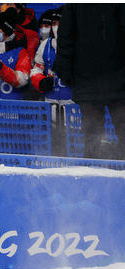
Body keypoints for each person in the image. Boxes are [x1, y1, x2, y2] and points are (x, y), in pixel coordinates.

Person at [53, 4, 125, 160]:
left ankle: (96, 171)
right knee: (101, 135)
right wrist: (66, 72)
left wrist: (66, 73)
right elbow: (66, 36)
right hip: (107, 82)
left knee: (96, 135)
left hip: (101, 81)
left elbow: (65, 37)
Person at [30, 6, 73, 156]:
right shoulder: (45, 45)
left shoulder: (79, 43)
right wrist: (40, 81)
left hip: (72, 105)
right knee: (53, 143)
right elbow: (36, 69)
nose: (55, 27)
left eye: (58, 23)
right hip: (51, 103)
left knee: (73, 143)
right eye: (53, 23)